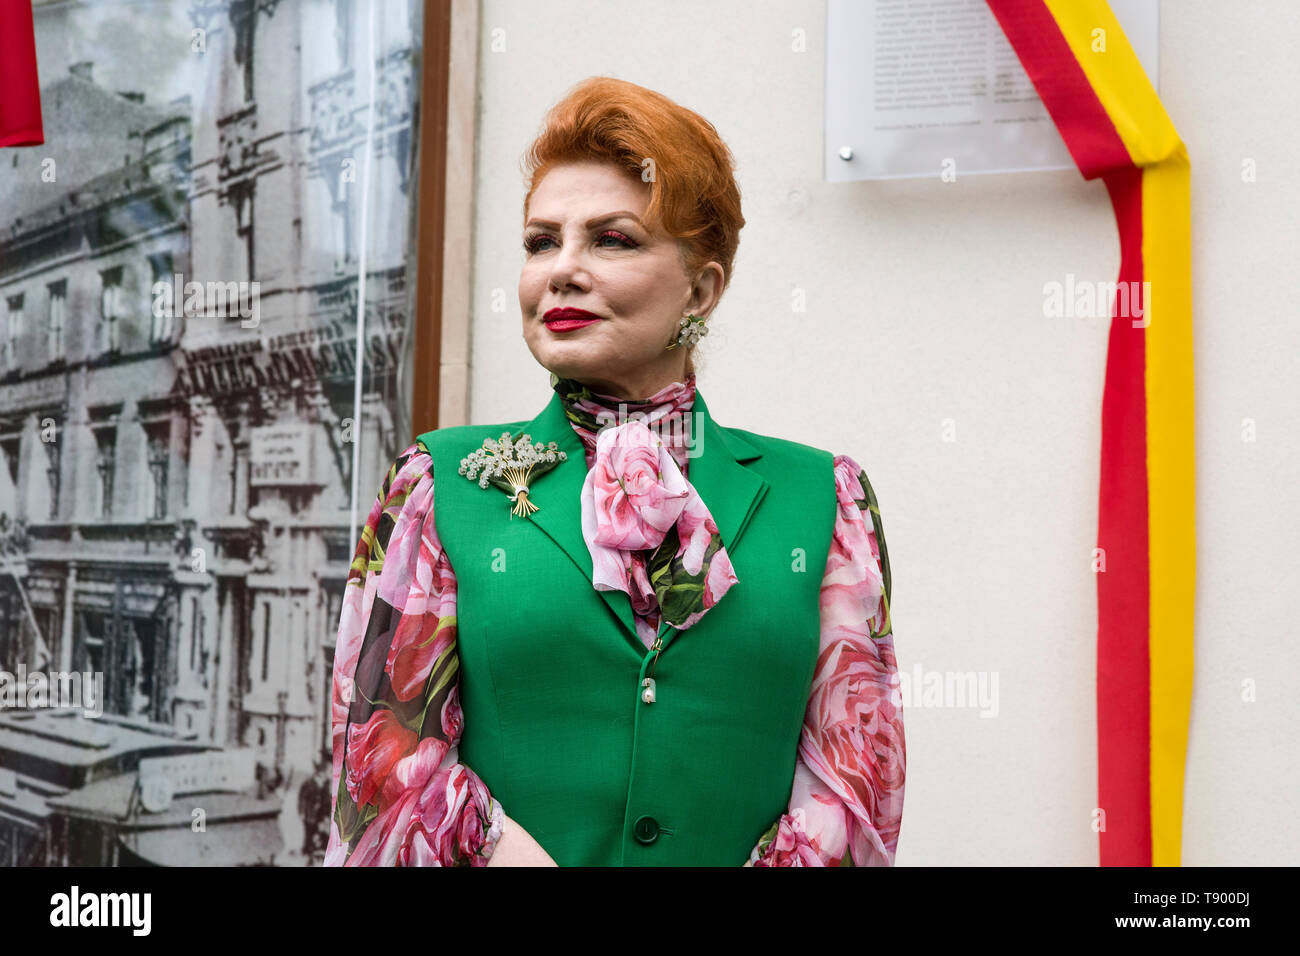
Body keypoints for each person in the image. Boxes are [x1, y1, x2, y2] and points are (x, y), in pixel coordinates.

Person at [324, 76, 904, 867]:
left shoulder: (824, 499)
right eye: (540, 241)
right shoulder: (440, 484)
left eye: (613, 239)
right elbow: (384, 773)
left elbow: (856, 787)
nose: (562, 270)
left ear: (702, 288)